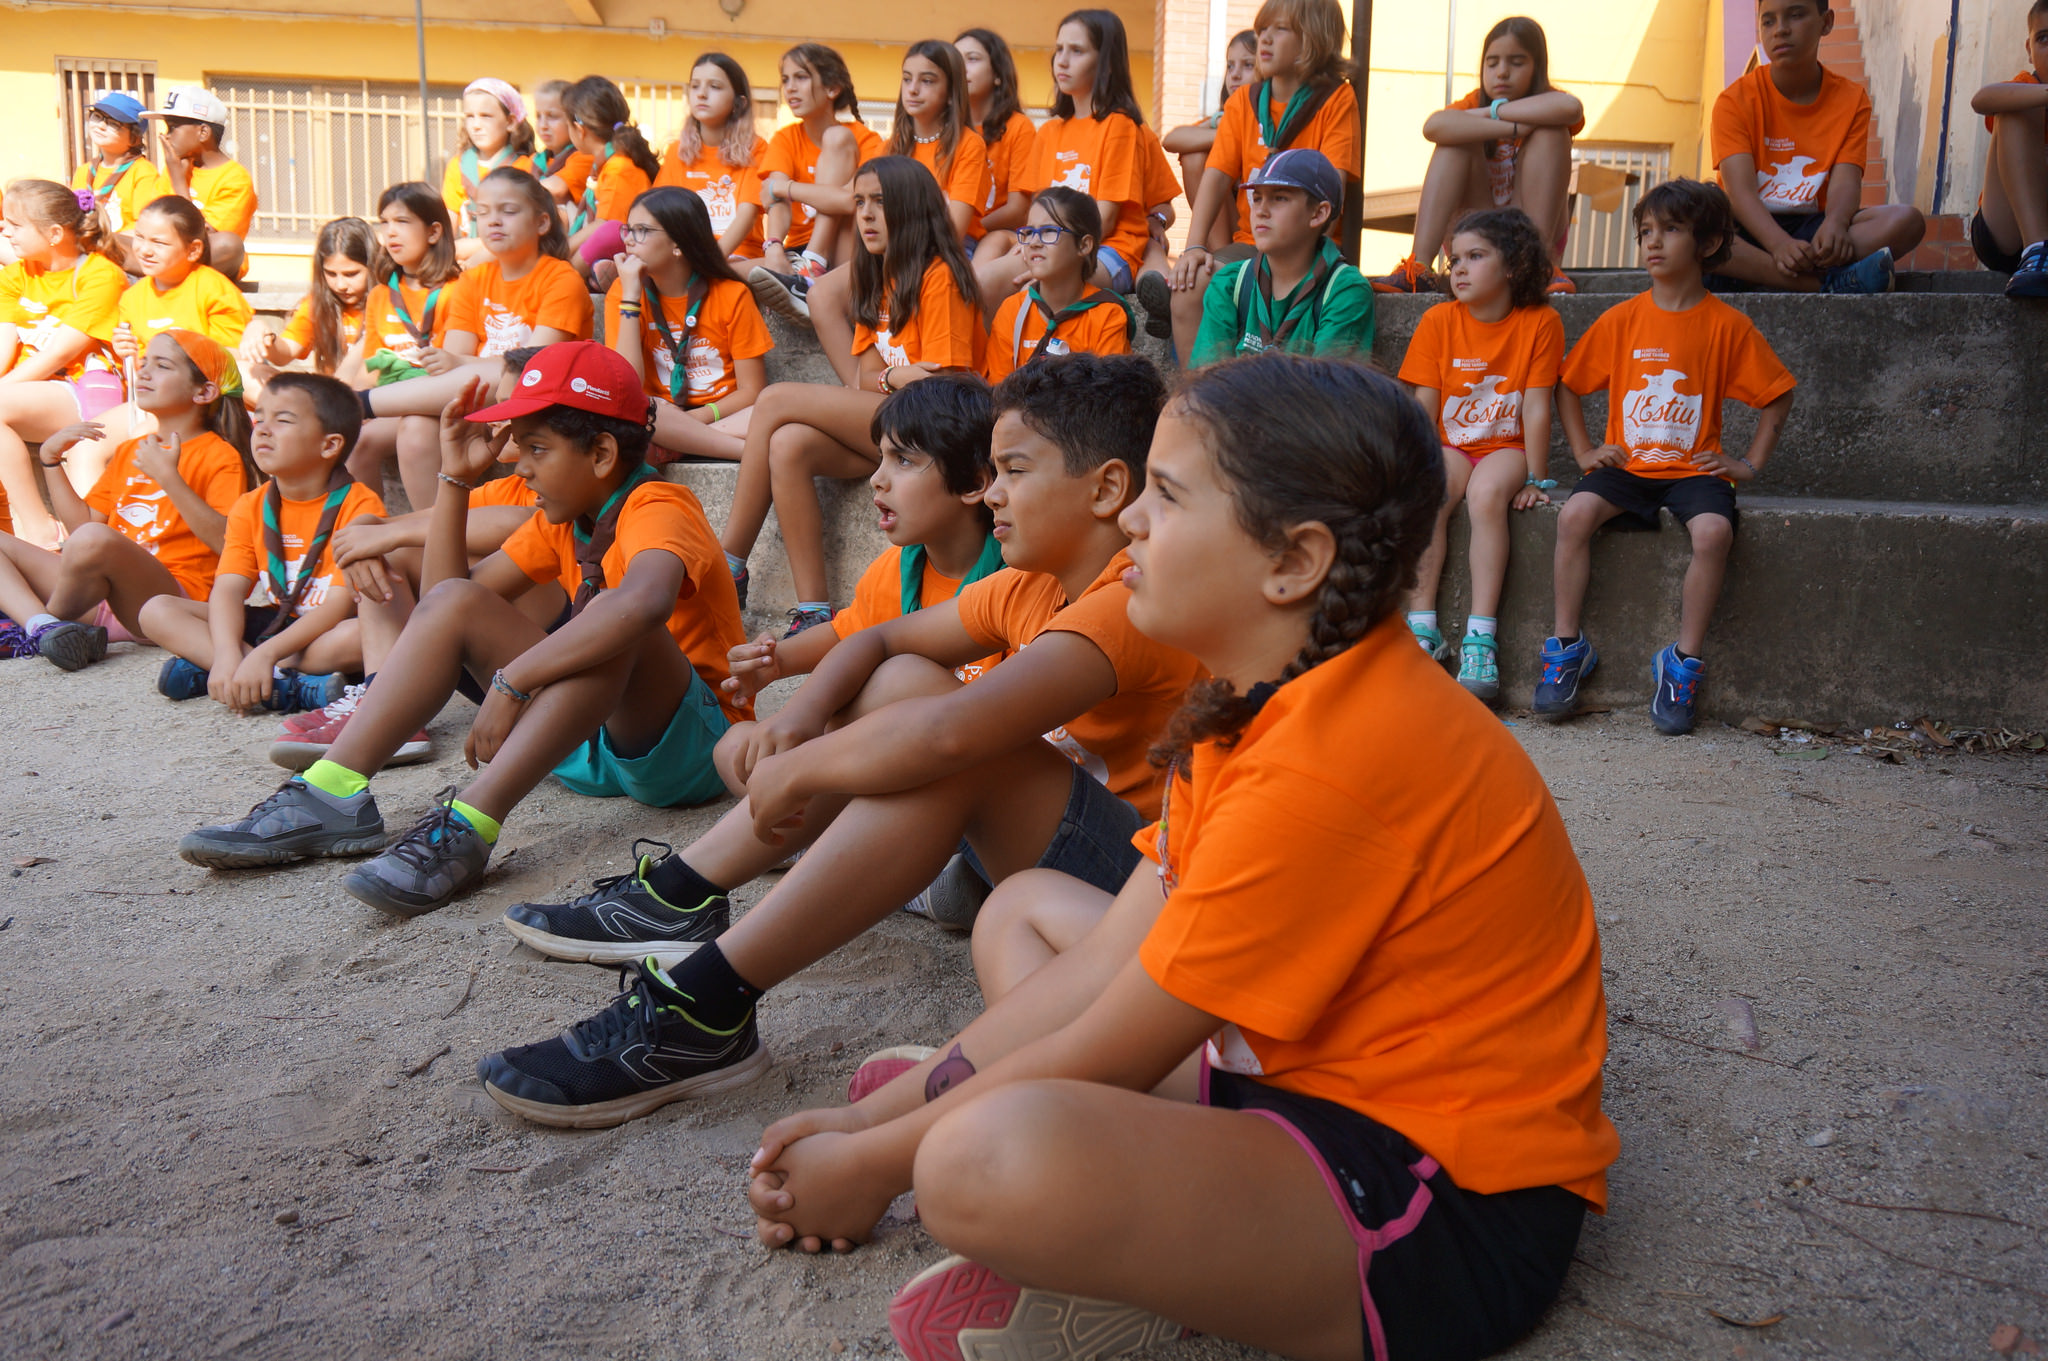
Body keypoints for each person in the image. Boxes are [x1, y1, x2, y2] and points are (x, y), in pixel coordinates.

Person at [740, 356, 1617, 1361]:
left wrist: (880, 1160)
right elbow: (1104, 965)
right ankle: (1123, 1206)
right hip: (1300, 1077)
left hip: (1445, 1202)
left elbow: (1113, 1041)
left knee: (972, 1162)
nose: (1131, 524)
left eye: (1164, 494)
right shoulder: (1248, 696)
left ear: (1291, 560)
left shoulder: (1337, 757)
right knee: (1023, 909)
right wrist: (863, 1126)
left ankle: (1150, 1233)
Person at [472, 353, 1204, 1129]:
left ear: (1107, 489)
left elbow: (953, 734)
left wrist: (799, 768)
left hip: (1128, 880)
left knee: (955, 744)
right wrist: (796, 716)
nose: (992, 494)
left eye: (1013, 471)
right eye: (991, 471)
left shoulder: (1125, 597)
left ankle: (703, 993)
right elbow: (880, 644)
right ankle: (682, 902)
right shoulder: (1028, 583)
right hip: (1046, 860)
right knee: (906, 684)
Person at [176, 344, 746, 916]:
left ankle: (470, 823)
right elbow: (445, 604)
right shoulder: (564, 523)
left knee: (617, 618)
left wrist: (514, 681)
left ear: (600, 453)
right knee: (458, 599)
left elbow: (644, 604)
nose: (519, 466)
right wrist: (453, 482)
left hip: (684, 752)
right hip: (585, 739)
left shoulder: (659, 503)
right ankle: (330, 791)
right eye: (520, 448)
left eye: (537, 449)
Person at [1538, 179, 1796, 735]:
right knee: (1574, 516)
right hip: (1628, 468)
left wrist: (1748, 465)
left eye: (1670, 230)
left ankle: (1681, 663)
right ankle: (1566, 647)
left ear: (1706, 244)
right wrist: (1584, 450)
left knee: (1712, 535)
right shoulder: (1623, 319)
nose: (1653, 243)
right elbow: (1568, 383)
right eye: (1645, 232)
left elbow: (1778, 393)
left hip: (1694, 472)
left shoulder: (1727, 325)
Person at [709, 373, 1006, 802]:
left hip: (966, 765)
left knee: (887, 691)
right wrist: (776, 663)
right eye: (880, 459)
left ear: (974, 484)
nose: (877, 479)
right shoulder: (897, 567)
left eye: (903, 460)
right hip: (892, 762)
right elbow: (845, 633)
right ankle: (814, 835)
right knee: (734, 748)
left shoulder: (1013, 575)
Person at [721, 156, 984, 633]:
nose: (864, 214)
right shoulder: (877, 277)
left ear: (914, 209)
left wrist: (892, 379)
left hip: (938, 434)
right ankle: (815, 611)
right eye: (859, 201)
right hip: (895, 424)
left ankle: (728, 565)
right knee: (788, 444)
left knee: (776, 399)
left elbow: (946, 390)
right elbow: (868, 377)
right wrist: (898, 378)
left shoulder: (940, 276)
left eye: (880, 203)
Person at [0, 331, 250, 666]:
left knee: (94, 539)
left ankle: (49, 619)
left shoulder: (221, 456)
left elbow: (228, 543)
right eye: (144, 362)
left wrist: (168, 478)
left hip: (164, 602)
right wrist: (50, 461)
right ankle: (42, 627)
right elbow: (82, 530)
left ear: (204, 391)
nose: (144, 372)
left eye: (162, 366)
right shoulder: (132, 449)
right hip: (99, 595)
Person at [1396, 207, 1564, 700]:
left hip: (1505, 446)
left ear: (1512, 265)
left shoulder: (1540, 322)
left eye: (1475, 256)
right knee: (1431, 494)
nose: (1460, 269)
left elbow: (1536, 407)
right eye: (1455, 260)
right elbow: (1424, 405)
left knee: (1488, 494)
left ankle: (1480, 637)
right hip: (1449, 444)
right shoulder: (1437, 320)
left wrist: (1537, 477)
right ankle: (1422, 626)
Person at [142, 372, 384, 714]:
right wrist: (227, 653)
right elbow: (227, 589)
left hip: (326, 632)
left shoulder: (359, 504)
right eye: (260, 419)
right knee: (157, 611)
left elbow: (337, 607)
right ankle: (284, 685)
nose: (263, 430)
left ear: (329, 445)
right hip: (274, 625)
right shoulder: (251, 505)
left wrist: (264, 653)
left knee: (359, 635)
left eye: (282, 420)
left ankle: (246, 674)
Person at [359, 169, 593, 456]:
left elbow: (532, 365)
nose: (493, 220)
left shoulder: (561, 278)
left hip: (541, 402)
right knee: (414, 427)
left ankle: (360, 403)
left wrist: (459, 361)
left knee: (509, 369)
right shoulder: (473, 279)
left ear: (542, 222)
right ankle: (434, 504)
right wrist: (457, 361)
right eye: (482, 212)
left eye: (508, 211)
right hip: (480, 401)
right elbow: (450, 363)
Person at [1166, 0, 1359, 342]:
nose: (1264, 41)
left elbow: (1334, 186)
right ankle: (1194, 392)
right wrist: (1194, 247)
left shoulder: (1336, 99)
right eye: (1262, 31)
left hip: (1307, 246)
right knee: (1189, 286)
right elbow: (1216, 175)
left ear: (1313, 39)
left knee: (1218, 285)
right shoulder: (1244, 101)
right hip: (1250, 242)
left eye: (1279, 30)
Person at [1706, 0, 1924, 294]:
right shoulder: (1734, 101)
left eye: (1795, 15)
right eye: (1768, 21)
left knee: (1906, 221)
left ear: (1827, 22)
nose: (1780, 30)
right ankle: (1819, 283)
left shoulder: (1850, 99)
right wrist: (1779, 244)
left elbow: (1847, 179)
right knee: (1695, 229)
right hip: (1747, 229)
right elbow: (1739, 193)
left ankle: (1771, 275)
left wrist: (1835, 223)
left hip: (1814, 233)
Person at [1373, 16, 1584, 296]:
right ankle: (1419, 269)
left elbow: (1571, 108)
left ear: (1537, 67)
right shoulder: (1474, 102)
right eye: (1492, 62)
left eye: (1516, 62)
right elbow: (1433, 126)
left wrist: (1500, 113)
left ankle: (1538, 266)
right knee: (1453, 141)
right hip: (1475, 231)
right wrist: (1504, 118)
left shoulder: (1550, 100)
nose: (1502, 72)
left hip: (1527, 239)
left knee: (1552, 134)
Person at [0, 179, 130, 548]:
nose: (4, 229)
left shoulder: (101, 275)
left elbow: (59, 354)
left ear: (55, 233)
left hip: (78, 391)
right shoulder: (15, 275)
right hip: (29, 389)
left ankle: (42, 530)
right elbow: (3, 345)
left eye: (15, 223)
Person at [605, 186, 770, 462]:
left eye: (642, 230)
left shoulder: (731, 294)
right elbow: (626, 385)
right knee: (635, 419)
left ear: (678, 244)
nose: (629, 241)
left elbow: (752, 391)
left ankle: (678, 444)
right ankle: (741, 450)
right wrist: (631, 299)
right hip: (657, 415)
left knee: (772, 408)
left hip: (724, 413)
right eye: (628, 230)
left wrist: (697, 419)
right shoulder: (623, 293)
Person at [1012, 10, 1165, 302]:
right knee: (983, 283)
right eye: (1059, 49)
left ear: (1106, 65)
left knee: (1041, 291)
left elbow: (1104, 221)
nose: (1062, 60)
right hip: (1048, 244)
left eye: (1077, 51)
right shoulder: (1047, 132)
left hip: (1107, 249)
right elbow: (1036, 209)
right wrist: (1033, 240)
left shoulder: (1120, 125)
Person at [1187, 149, 1373, 367]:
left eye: (1279, 198)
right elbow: (1205, 386)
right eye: (1256, 199)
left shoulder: (1344, 290)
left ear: (1318, 214)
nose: (1261, 211)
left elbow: (1325, 393)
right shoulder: (1229, 284)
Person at [749, 44, 884, 320]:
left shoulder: (866, 140)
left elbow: (851, 201)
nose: (790, 88)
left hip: (850, 250)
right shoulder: (785, 138)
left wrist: (787, 188)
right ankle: (807, 274)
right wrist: (773, 246)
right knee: (722, 273)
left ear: (832, 88)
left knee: (837, 138)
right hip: (797, 252)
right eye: (785, 80)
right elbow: (775, 201)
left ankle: (814, 266)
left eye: (801, 77)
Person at [353, 182, 464, 501]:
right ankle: (370, 538)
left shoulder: (458, 289)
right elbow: (370, 368)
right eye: (384, 222)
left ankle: (429, 539)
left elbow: (454, 370)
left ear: (433, 232)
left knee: (414, 429)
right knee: (354, 439)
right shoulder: (379, 295)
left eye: (402, 222)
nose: (390, 233)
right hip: (391, 402)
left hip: (437, 400)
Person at [984, 187, 1135, 384]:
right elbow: (998, 393)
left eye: (1048, 232)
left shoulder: (1108, 316)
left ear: (1084, 245)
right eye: (1029, 232)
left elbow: (1108, 399)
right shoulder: (1012, 311)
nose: (1034, 242)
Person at [653, 53, 768, 261]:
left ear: (739, 103)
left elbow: (747, 215)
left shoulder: (757, 148)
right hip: (684, 256)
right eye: (695, 86)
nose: (702, 94)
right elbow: (660, 213)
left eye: (714, 86)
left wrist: (712, 262)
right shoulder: (676, 151)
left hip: (737, 254)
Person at [1968, 0, 2048, 297]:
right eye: (2044, 38)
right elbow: (1982, 99)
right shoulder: (2027, 83)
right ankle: (2038, 253)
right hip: (2006, 233)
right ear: (2029, 49)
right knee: (2016, 107)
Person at [241, 217, 374, 389]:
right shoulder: (316, 305)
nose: (340, 285)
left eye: (351, 274)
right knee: (244, 371)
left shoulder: (387, 301)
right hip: (328, 398)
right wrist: (261, 332)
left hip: (375, 398)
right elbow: (284, 354)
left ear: (372, 267)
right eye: (331, 274)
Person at [140, 87, 257, 281]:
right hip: (162, 253)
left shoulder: (235, 177)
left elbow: (201, 236)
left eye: (173, 127)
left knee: (228, 245)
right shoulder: (176, 168)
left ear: (203, 132)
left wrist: (180, 184)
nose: (166, 136)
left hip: (206, 260)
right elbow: (151, 221)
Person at [1160, 30, 1257, 252]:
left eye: (1248, 65)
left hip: (1258, 227)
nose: (1235, 74)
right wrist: (1230, 136)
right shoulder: (1224, 118)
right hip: (1228, 231)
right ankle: (1219, 254)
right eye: (1230, 66)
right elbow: (1171, 139)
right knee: (1194, 157)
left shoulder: (1270, 118)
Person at [888, 41, 992, 245]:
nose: (913, 89)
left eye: (927, 81)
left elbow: (953, 230)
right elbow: (853, 201)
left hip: (948, 251)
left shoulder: (969, 144)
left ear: (952, 93)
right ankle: (810, 274)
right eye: (907, 79)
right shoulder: (891, 147)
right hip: (897, 249)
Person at [562, 76, 660, 284]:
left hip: (638, 246)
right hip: (624, 245)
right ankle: (598, 273)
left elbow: (607, 226)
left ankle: (568, 275)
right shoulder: (606, 164)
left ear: (579, 130)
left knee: (608, 233)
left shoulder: (620, 167)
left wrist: (561, 251)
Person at [958, 29, 1038, 269]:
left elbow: (1018, 211)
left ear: (998, 75)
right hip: (953, 235)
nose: (962, 68)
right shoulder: (944, 129)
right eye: (955, 60)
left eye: (972, 59)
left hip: (996, 237)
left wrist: (966, 225)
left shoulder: (1019, 127)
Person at [443, 78, 537, 266]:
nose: (476, 125)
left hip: (509, 257)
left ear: (510, 122)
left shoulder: (526, 167)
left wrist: (467, 249)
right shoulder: (458, 165)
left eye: (486, 116)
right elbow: (448, 219)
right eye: (470, 116)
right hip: (462, 256)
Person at [69, 90, 167, 268]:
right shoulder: (84, 171)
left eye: (113, 124)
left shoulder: (143, 172)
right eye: (97, 116)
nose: (100, 126)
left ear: (134, 137)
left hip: (121, 257)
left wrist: (100, 240)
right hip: (83, 251)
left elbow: (144, 230)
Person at [531, 80, 595, 211]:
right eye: (538, 116)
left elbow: (557, 189)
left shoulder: (585, 157)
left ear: (574, 120)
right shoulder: (536, 160)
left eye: (552, 116)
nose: (543, 125)